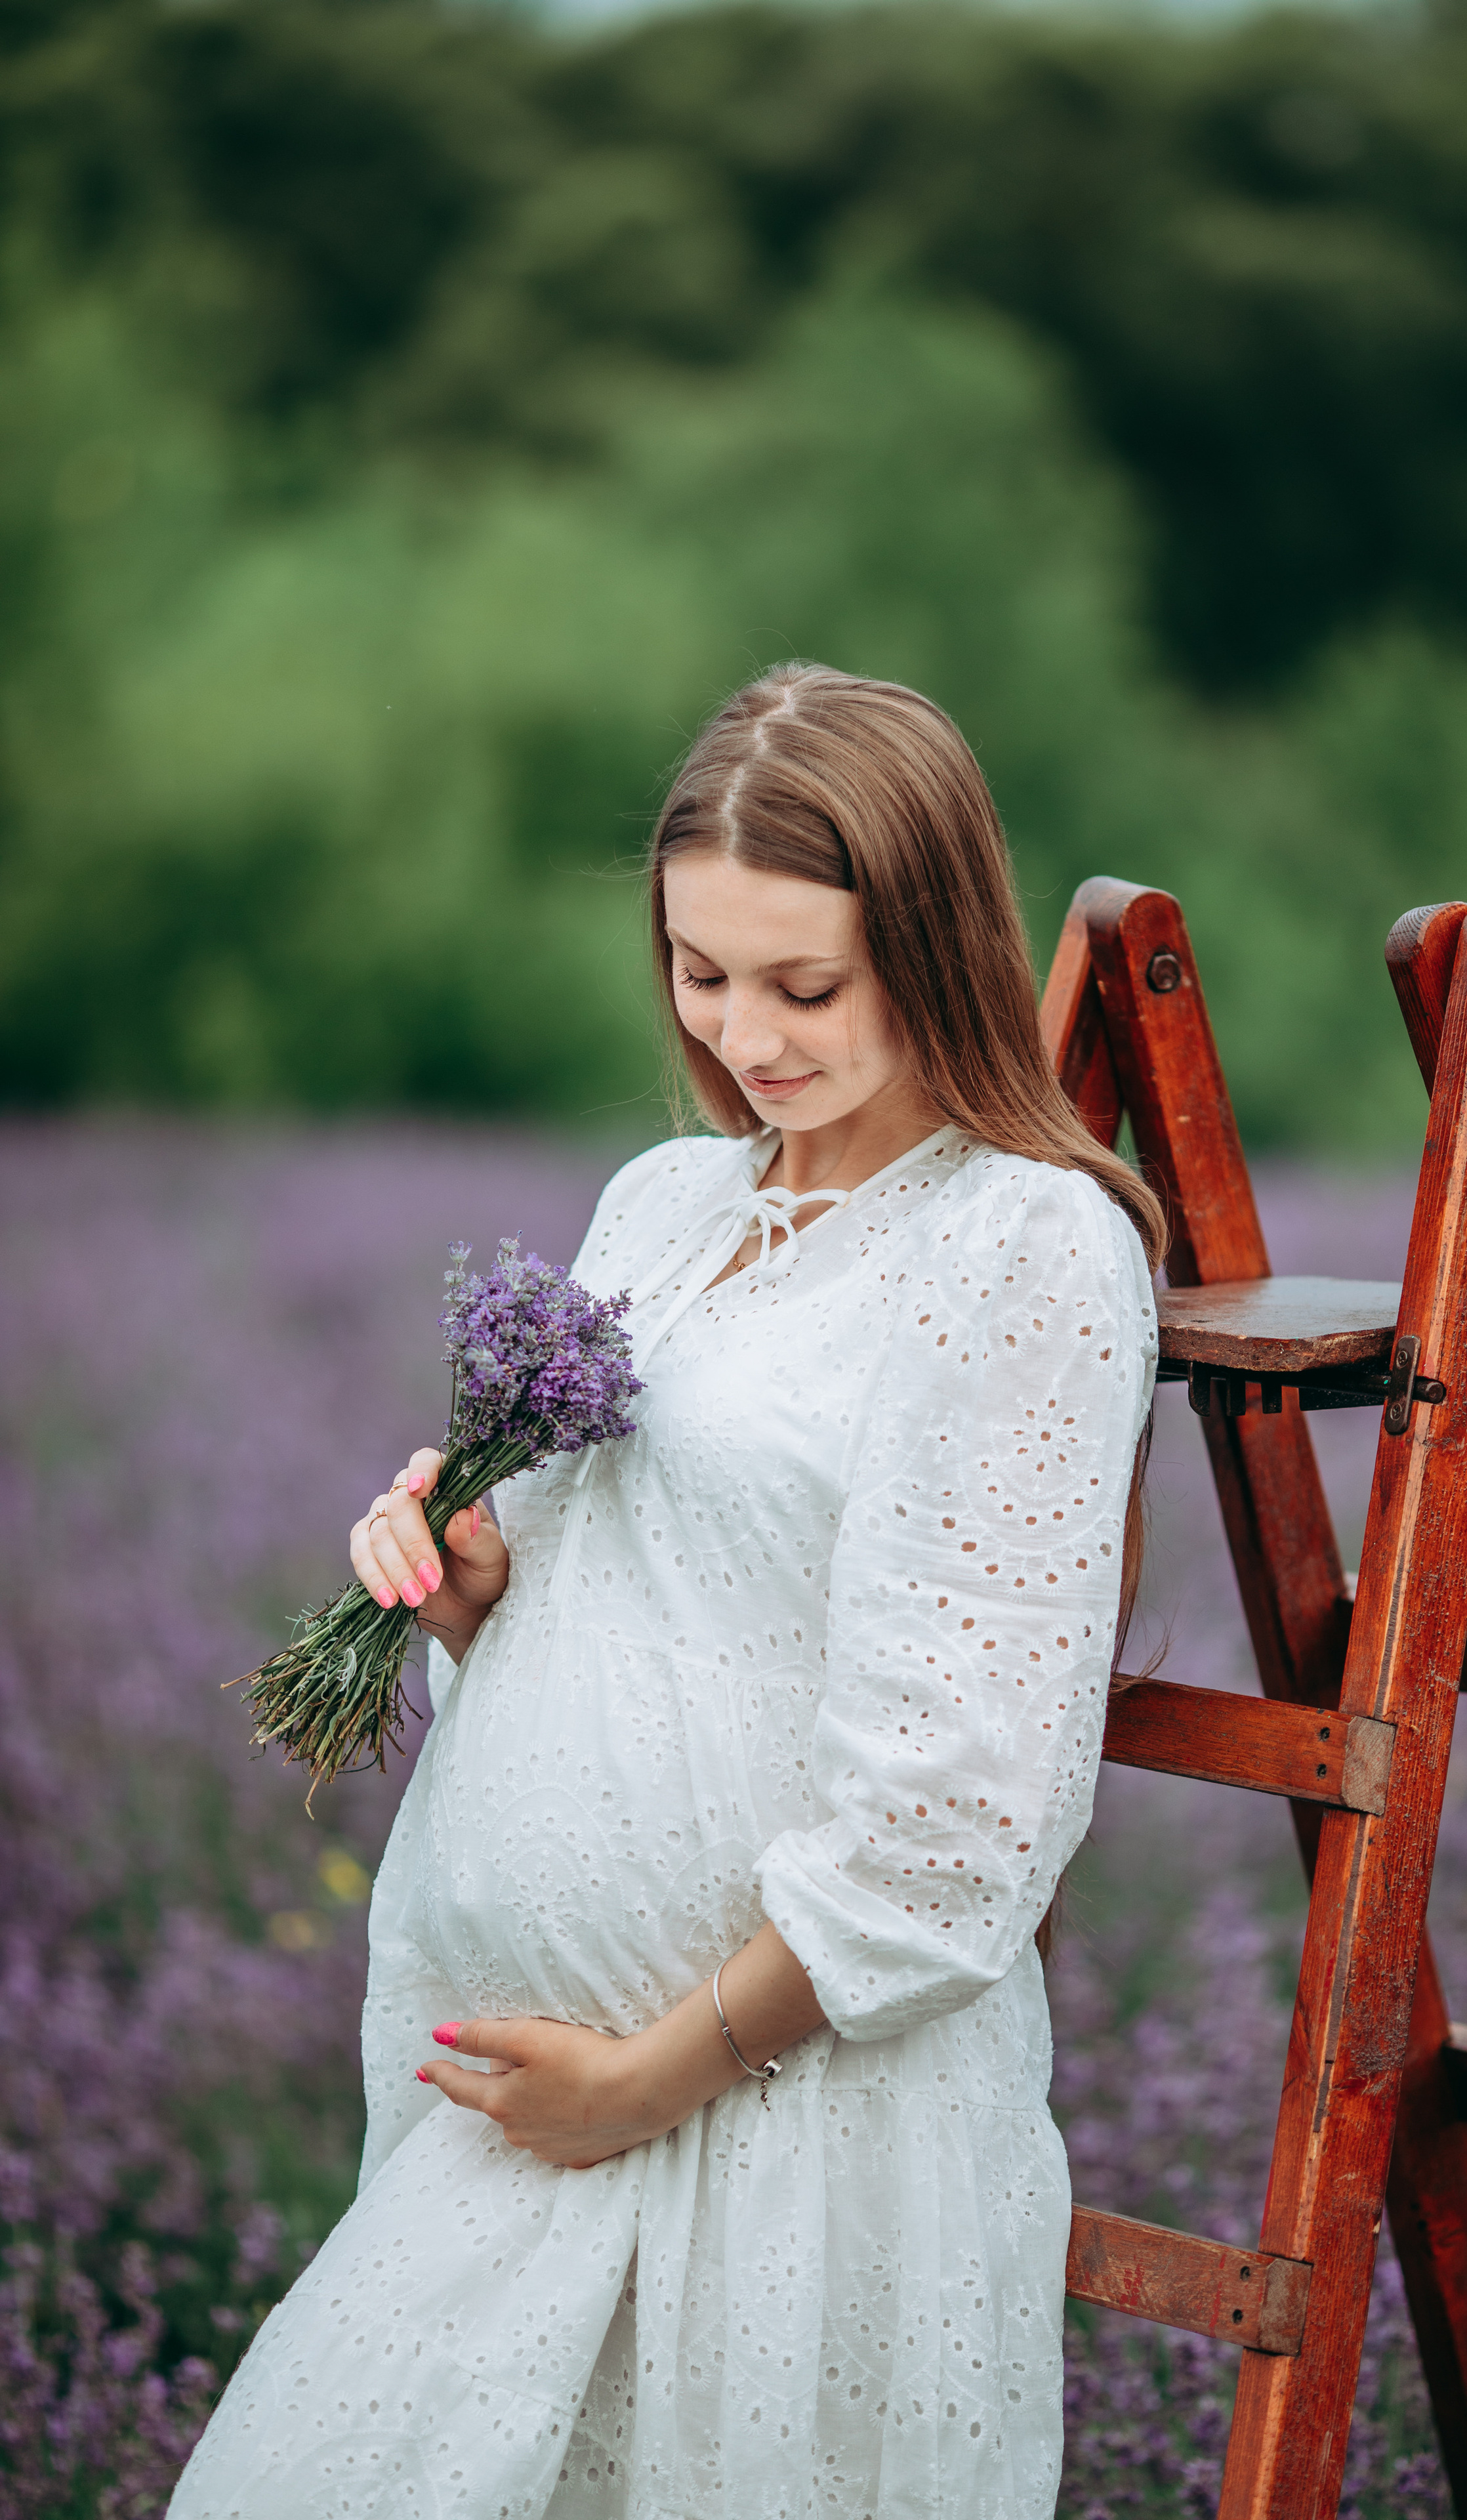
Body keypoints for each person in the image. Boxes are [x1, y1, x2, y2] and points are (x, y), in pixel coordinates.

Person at [169, 664, 1164, 2520]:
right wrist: (478, 1597)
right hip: (533, 2119)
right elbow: (653, 1618)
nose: (746, 1036)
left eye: (806, 984)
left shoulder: (1020, 1247)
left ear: (937, 946)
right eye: (703, 974)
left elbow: (962, 1818)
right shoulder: (666, 1207)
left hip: (780, 2134)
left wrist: (650, 2077)